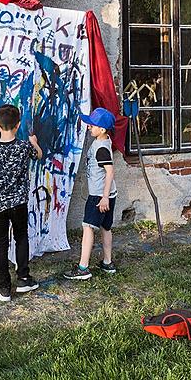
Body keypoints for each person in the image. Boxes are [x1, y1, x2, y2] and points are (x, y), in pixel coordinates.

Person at [0, 104, 42, 302]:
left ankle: (4, 288)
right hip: (19, 203)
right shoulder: (23, 147)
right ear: (18, 125)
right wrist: (34, 142)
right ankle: (23, 278)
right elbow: (38, 155)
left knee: (1, 244)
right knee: (21, 238)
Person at [64, 107, 117, 280]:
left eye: (92, 125)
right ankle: (107, 262)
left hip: (99, 195)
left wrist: (103, 197)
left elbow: (110, 172)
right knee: (106, 227)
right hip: (109, 194)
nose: (89, 127)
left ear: (101, 129)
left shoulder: (101, 148)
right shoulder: (104, 141)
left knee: (88, 228)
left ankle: (83, 267)